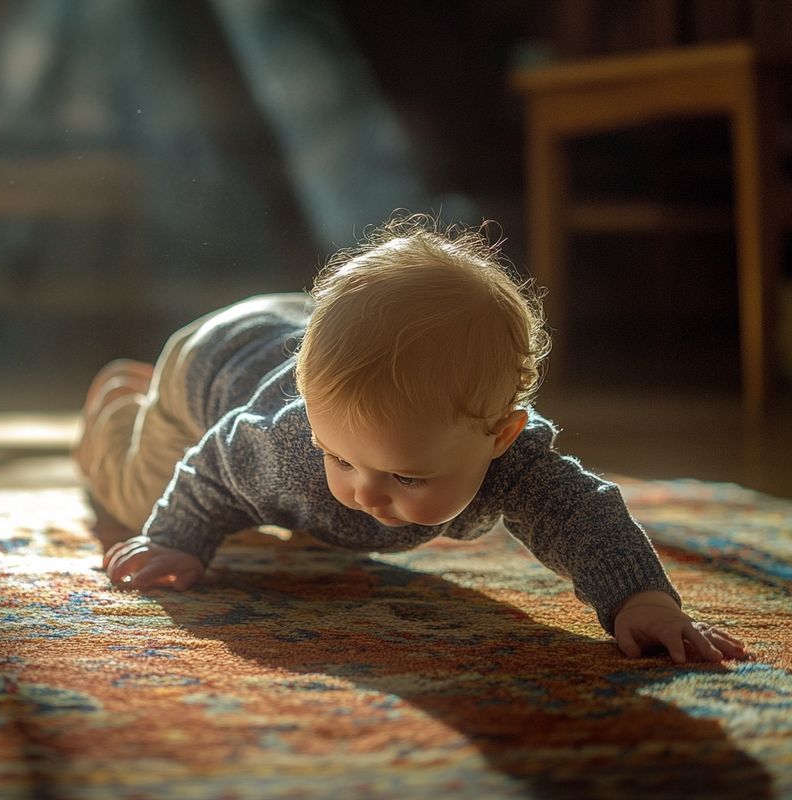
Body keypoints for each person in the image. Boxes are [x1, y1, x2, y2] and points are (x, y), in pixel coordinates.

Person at [75, 214, 747, 664]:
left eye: (405, 477)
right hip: (211, 363)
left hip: (293, 326)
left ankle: (139, 397)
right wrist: (175, 540)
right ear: (313, 418)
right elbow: (213, 466)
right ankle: (119, 406)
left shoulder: (515, 461)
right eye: (339, 458)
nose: (364, 491)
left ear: (499, 434)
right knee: (140, 499)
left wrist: (641, 598)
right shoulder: (283, 446)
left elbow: (582, 514)